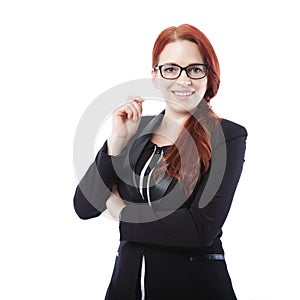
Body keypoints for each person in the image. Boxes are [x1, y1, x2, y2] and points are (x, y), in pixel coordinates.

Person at [73, 24, 247, 300]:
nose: (184, 80)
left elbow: (200, 228)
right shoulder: (134, 129)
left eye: (195, 69)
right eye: (171, 69)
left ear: (208, 75)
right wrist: (115, 145)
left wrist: (122, 211)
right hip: (126, 287)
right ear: (155, 75)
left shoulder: (227, 136)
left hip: (195, 288)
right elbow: (84, 206)